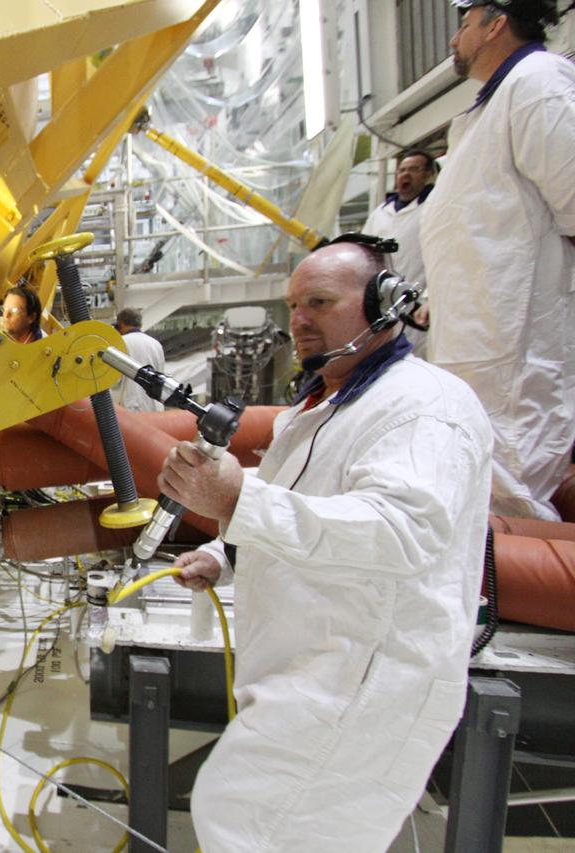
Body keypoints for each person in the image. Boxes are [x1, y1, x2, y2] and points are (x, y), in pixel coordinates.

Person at [161, 241, 492, 852]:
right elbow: (309, 496)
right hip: (316, 669)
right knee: (239, 815)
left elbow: (399, 530)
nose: (300, 320)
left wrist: (237, 501)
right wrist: (224, 553)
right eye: (293, 305)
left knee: (251, 825)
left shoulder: (425, 408)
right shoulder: (328, 407)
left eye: (319, 301)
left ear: (386, 302)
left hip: (364, 681)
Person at [420, 0, 574, 520]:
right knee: (476, 482)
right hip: (474, 338)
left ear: (496, 24)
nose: (453, 38)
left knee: (512, 489)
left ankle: (517, 599)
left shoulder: (539, 84)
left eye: (463, 24)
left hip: (514, 343)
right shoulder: (491, 104)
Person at [362, 148, 436, 286]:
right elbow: (363, 252)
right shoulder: (380, 212)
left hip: (419, 296)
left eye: (414, 169)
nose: (406, 174)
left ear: (428, 174)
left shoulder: (435, 206)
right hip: (383, 295)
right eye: (402, 170)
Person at [111, 307, 165, 412]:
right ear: (140, 324)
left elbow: (114, 380)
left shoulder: (120, 343)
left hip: (130, 408)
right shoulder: (155, 343)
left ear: (120, 324)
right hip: (155, 408)